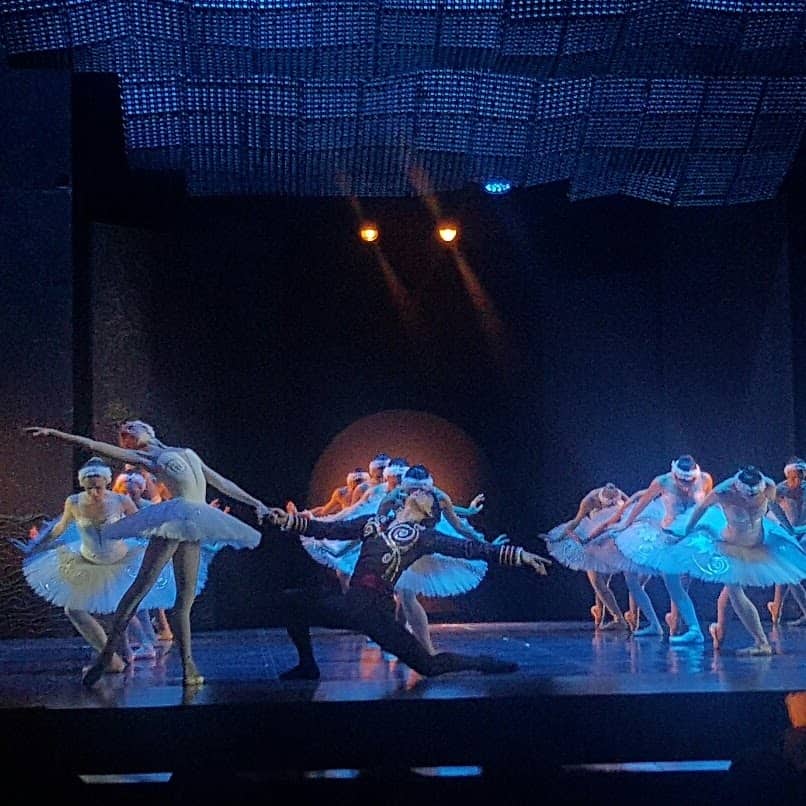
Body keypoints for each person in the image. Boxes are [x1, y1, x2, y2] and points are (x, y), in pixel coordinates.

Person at [25, 420, 268, 687]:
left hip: (194, 521)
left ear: (148, 430)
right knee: (140, 587)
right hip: (176, 518)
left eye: (131, 426)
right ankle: (107, 656)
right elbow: (95, 446)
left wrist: (256, 502)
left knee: (184, 601)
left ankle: (188, 665)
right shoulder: (146, 457)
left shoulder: (186, 452)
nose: (127, 429)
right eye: (124, 433)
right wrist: (55, 434)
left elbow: (221, 481)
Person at [265, 465, 552, 680]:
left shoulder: (424, 536)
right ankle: (307, 665)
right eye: (418, 490)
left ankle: (482, 663)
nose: (421, 492)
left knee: (429, 666)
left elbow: (469, 549)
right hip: (351, 604)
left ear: (429, 514)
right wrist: (289, 521)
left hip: (376, 613)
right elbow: (327, 529)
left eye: (427, 495)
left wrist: (518, 555)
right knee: (289, 601)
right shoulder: (373, 523)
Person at [12, 457, 178, 672]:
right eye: (89, 488)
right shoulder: (74, 502)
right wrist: (36, 546)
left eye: (98, 487)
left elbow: (141, 525)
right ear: (83, 484)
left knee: (120, 608)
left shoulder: (120, 501)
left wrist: (166, 534)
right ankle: (113, 657)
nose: (94, 493)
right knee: (75, 610)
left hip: (119, 560)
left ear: (107, 482)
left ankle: (130, 652)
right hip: (88, 561)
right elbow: (59, 529)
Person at [666, 466, 806, 655]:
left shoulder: (768, 486)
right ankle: (761, 642)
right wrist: (685, 533)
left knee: (731, 592)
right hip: (731, 545)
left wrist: (788, 530)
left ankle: (722, 632)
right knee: (733, 589)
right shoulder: (724, 492)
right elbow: (700, 510)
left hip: (757, 544)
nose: (750, 498)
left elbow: (774, 507)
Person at [610, 455, 714, 644]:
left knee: (677, 585)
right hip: (668, 537)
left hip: (691, 538)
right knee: (669, 584)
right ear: (674, 474)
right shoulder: (662, 481)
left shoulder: (705, 480)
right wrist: (624, 523)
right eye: (681, 480)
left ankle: (691, 628)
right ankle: (678, 627)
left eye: (688, 481)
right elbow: (640, 505)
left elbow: (708, 506)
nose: (685, 485)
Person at [542, 483, 633, 632]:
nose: (609, 506)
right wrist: (558, 537)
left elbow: (633, 509)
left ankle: (617, 619)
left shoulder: (618, 493)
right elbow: (576, 522)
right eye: (606, 504)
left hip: (610, 541)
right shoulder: (589, 500)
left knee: (600, 583)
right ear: (600, 499)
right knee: (600, 583)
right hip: (594, 541)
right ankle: (603, 615)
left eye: (613, 502)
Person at [766, 457, 806, 626]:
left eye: (801, 476)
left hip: (802, 532)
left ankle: (777, 606)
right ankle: (777, 607)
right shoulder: (780, 489)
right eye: (793, 477)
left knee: (789, 570)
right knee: (787, 571)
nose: (797, 481)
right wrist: (788, 528)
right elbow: (774, 511)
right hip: (784, 531)